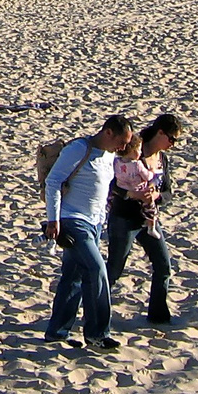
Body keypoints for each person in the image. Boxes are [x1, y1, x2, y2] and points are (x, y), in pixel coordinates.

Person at [44, 115, 133, 350]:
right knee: (96, 270)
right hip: (72, 220)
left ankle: (57, 332)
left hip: (95, 222)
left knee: (73, 276)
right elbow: (53, 182)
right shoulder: (78, 149)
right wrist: (53, 220)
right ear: (108, 133)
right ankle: (97, 333)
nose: (123, 148)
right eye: (121, 142)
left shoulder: (109, 155)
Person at [106, 114, 184, 325]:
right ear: (160, 133)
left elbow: (167, 192)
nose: (172, 145)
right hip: (124, 217)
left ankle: (158, 316)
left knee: (163, 265)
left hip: (149, 219)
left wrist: (156, 196)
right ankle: (95, 312)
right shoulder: (133, 149)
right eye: (171, 139)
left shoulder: (162, 159)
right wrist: (133, 195)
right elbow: (112, 185)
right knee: (113, 269)